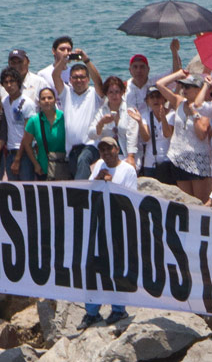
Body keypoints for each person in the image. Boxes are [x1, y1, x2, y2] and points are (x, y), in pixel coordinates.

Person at [79, 137, 137, 331]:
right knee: (94, 266)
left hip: (119, 224)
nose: (105, 153)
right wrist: (96, 181)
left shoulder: (128, 170)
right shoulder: (98, 167)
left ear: (117, 149)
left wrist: (111, 185)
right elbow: (87, 192)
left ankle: (118, 308)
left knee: (117, 266)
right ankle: (92, 312)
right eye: (102, 150)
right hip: (98, 222)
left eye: (108, 149)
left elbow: (131, 199)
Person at [155, 71, 212, 198]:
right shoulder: (179, 102)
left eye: (188, 87)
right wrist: (178, 75)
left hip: (197, 160)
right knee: (186, 202)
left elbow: (202, 134)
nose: (184, 89)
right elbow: (159, 84)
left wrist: (194, 112)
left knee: (200, 202)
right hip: (178, 158)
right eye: (183, 86)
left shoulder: (206, 108)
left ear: (198, 90)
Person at [52, 50, 103, 179]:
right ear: (70, 79)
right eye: (75, 77)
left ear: (87, 79)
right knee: (77, 177)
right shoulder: (66, 93)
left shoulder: (94, 94)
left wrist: (86, 59)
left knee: (83, 162)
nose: (78, 80)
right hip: (71, 150)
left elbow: (99, 81)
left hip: (91, 146)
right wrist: (63, 60)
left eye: (82, 77)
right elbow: (55, 76)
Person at [20, 85, 67, 180]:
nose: (46, 101)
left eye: (50, 98)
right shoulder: (34, 120)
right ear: (39, 102)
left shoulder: (65, 117)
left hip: (64, 166)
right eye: (43, 98)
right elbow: (27, 144)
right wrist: (36, 164)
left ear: (55, 100)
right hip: (43, 168)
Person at [0, 66, 36, 180]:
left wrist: (18, 158)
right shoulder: (4, 102)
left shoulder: (27, 103)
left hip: (25, 153)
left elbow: (28, 133)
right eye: (6, 82)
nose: (9, 85)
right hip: (10, 152)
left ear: (18, 82)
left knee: (27, 190)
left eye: (12, 81)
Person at [136, 85, 176, 181]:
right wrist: (140, 122)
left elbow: (167, 134)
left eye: (158, 96)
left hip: (168, 162)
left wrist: (163, 118)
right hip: (150, 163)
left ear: (164, 98)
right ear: (147, 101)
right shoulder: (145, 116)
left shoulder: (172, 114)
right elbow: (146, 138)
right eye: (152, 97)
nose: (155, 100)